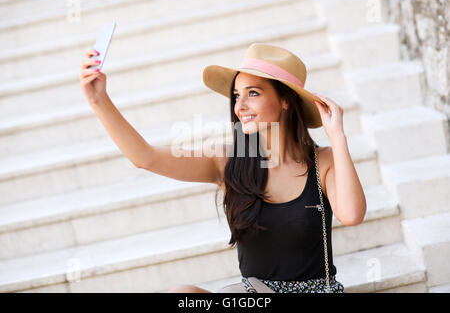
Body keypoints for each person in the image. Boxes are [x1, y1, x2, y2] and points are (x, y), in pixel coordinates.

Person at [79, 43, 366, 293]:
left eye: (252, 93)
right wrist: (98, 100)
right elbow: (145, 157)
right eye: (236, 96)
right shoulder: (226, 162)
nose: (240, 106)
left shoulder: (324, 161)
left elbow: (352, 214)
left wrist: (338, 137)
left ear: (285, 101)